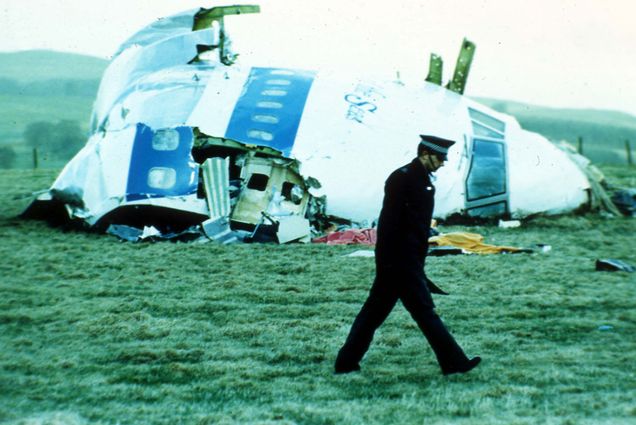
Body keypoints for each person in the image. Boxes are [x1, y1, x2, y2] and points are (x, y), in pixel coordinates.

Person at [334, 135, 481, 376]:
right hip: (400, 261)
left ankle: (346, 362)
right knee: (424, 311)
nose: (443, 162)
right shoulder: (403, 179)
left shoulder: (418, 179)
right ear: (425, 154)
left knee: (374, 314)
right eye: (440, 157)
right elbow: (392, 225)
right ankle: (454, 363)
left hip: (403, 260)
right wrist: (401, 264)